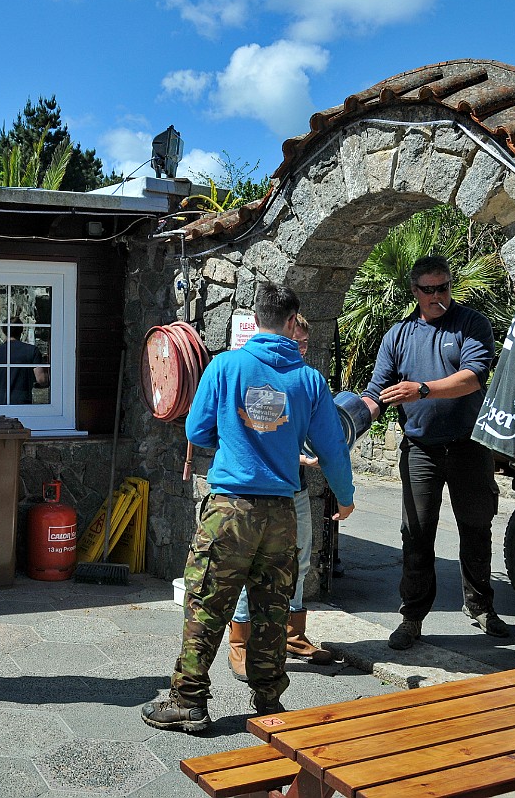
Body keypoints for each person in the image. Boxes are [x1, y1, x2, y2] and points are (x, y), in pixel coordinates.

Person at [140, 283, 355, 733]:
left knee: (206, 605)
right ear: (294, 322)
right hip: (280, 512)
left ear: (255, 319)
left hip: (230, 509)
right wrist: (346, 496)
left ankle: (189, 702)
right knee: (272, 609)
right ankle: (269, 700)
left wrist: (237, 442)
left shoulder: (225, 365)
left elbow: (197, 432)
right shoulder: (310, 379)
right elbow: (333, 448)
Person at [361, 254, 510, 651]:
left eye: (442, 287)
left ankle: (481, 607)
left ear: (450, 286)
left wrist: (422, 389)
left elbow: (474, 376)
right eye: (428, 290)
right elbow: (378, 389)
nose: (436, 296)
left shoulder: (471, 324)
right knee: (416, 533)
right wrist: (353, 420)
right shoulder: (400, 333)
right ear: (415, 291)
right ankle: (411, 617)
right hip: (421, 448)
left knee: (477, 528)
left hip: (468, 444)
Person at [227, 314, 333, 676]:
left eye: (304, 344)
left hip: (296, 489)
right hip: (258, 491)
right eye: (295, 341)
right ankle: (241, 641)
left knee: (300, 561)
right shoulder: (257, 374)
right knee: (250, 566)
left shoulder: (305, 381)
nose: (298, 349)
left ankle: (292, 633)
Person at [0, 318, 49, 405]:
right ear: (21, 330)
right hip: (22, 404)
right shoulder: (32, 351)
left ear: (4, 331)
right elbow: (42, 379)